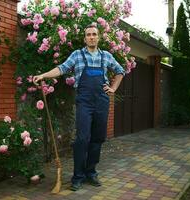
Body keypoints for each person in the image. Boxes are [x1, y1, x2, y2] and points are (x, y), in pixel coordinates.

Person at [33, 24, 125, 191]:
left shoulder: (106, 56)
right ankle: (78, 176)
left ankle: (91, 172)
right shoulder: (77, 55)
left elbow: (120, 71)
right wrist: (44, 75)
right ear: (85, 38)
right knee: (82, 139)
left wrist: (113, 88)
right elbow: (62, 68)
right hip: (84, 102)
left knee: (97, 138)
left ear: (98, 37)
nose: (91, 37)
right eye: (88, 34)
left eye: (94, 34)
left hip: (102, 101)